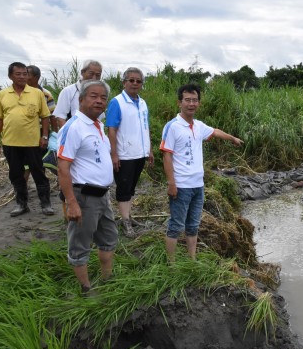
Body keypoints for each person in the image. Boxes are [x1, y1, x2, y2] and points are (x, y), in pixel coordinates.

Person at [160, 83, 243, 261]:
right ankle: (171, 264)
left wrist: (233, 139)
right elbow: (166, 156)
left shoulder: (198, 125)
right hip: (181, 185)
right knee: (176, 225)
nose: (191, 104)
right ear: (179, 103)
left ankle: (192, 260)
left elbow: (215, 131)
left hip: (198, 185)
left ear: (199, 103)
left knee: (193, 225)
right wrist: (171, 183)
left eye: (195, 100)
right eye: (187, 100)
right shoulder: (172, 126)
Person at [57, 80, 116, 294]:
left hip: (103, 196)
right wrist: (71, 203)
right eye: (93, 96)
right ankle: (86, 290)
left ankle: (108, 280)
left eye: (103, 97)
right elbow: (63, 168)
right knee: (80, 245)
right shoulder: (73, 127)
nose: (99, 101)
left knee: (108, 239)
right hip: (84, 196)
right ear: (81, 99)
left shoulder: (98, 125)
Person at [0, 62, 54, 216]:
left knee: (39, 172)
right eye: (18, 74)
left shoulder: (37, 93)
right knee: (16, 174)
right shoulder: (2, 95)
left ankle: (46, 204)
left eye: (24, 74)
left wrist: (45, 136)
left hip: (33, 142)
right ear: (10, 76)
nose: (22, 77)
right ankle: (21, 204)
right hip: (10, 142)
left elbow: (46, 116)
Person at [105, 67, 154, 238]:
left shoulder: (142, 103)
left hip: (139, 153)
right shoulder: (117, 102)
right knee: (124, 188)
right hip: (124, 154)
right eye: (131, 80)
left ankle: (128, 216)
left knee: (131, 187)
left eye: (138, 81)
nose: (135, 83)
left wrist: (150, 149)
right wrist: (114, 154)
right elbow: (111, 129)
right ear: (124, 82)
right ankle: (125, 222)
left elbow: (146, 127)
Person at [53, 60, 103, 129]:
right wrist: (69, 135)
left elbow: (100, 119)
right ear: (82, 72)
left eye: (98, 75)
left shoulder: (99, 95)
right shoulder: (69, 91)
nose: (94, 78)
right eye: (91, 74)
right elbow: (60, 117)